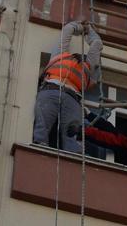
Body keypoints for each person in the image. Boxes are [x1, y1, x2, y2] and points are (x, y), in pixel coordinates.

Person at [33, 20, 102, 153]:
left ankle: (72, 158)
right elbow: (68, 29)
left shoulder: (89, 67)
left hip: (72, 98)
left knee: (72, 134)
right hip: (51, 90)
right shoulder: (59, 55)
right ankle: (40, 150)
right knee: (42, 126)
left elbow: (97, 44)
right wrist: (81, 26)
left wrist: (90, 30)